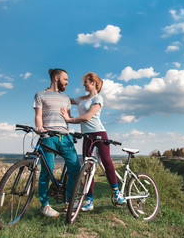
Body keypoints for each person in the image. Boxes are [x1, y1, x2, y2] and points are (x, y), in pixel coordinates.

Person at [60, 72, 126, 212]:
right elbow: (67, 99)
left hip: (99, 134)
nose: (83, 84)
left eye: (86, 82)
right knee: (88, 168)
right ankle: (89, 200)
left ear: (94, 83)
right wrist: (56, 90)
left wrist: (69, 120)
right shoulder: (82, 99)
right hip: (87, 136)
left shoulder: (98, 98)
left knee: (106, 161)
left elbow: (88, 117)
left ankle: (116, 192)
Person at [33, 68, 81, 217]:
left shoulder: (66, 98)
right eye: (65, 79)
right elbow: (38, 116)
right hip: (48, 137)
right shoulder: (40, 95)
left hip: (65, 137)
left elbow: (68, 117)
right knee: (46, 171)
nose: (67, 82)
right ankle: (45, 205)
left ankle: (69, 202)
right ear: (56, 78)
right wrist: (39, 128)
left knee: (75, 169)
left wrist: (69, 117)